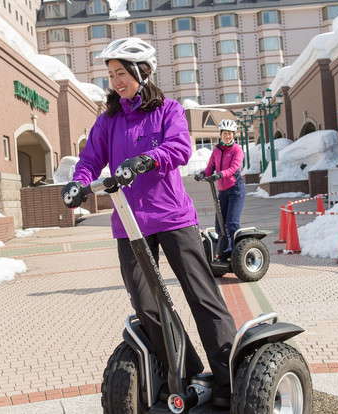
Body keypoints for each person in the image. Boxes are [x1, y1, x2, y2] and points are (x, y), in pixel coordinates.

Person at [61, 37, 237, 409]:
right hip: (129, 222)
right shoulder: (108, 120)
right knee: (146, 303)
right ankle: (189, 373)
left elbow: (180, 148)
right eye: (111, 75)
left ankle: (228, 379)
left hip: (172, 217)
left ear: (142, 72)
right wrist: (79, 181)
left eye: (121, 73)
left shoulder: (168, 110)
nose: (116, 81)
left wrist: (144, 160)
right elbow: (91, 158)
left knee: (201, 296)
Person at [195, 119, 246, 261]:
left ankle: (236, 252)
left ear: (233, 135)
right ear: (220, 134)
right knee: (219, 225)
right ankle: (224, 251)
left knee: (231, 223)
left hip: (236, 190)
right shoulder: (217, 150)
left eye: (230, 133)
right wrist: (202, 174)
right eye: (225, 133)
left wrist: (220, 174)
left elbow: (234, 167)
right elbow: (210, 167)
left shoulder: (237, 150)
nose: (227, 136)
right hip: (223, 191)